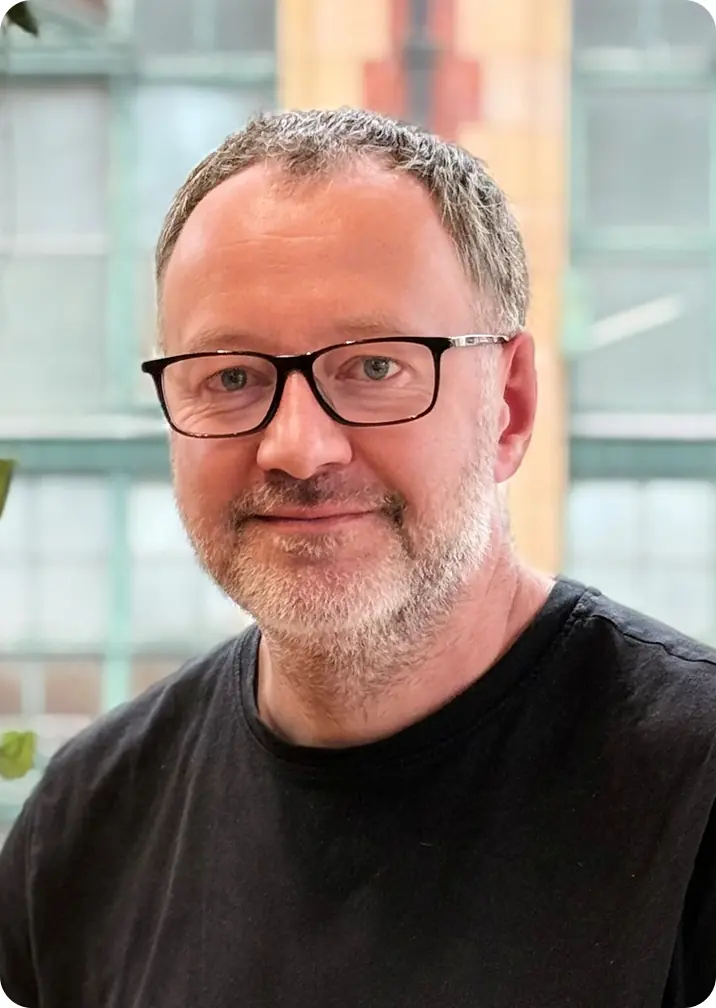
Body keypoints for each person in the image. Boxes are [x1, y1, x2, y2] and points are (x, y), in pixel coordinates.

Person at [1, 108, 715, 1008]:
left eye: (376, 368)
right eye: (231, 376)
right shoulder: (80, 831)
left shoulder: (696, 801)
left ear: (511, 405)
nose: (299, 449)